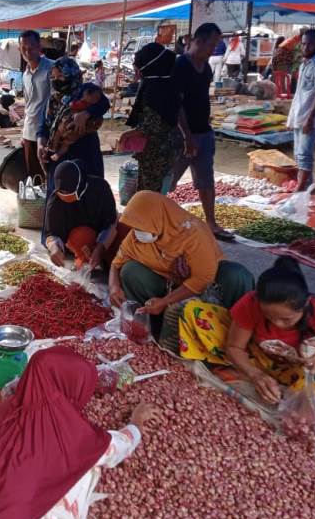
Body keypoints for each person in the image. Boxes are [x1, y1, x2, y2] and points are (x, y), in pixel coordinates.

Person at [0, 346, 160, 519]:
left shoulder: (3, 412)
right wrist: (136, 423)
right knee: (85, 466)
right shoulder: (72, 433)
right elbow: (116, 448)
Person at [178, 256, 315, 429]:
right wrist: (255, 374)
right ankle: (250, 377)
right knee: (196, 313)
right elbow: (234, 347)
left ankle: (296, 398)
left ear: (305, 304)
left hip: (302, 373)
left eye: (286, 319)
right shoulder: (252, 303)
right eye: (268, 316)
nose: (276, 323)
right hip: (259, 359)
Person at [108, 191, 254, 335]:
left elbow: (202, 279)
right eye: (136, 227)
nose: (137, 232)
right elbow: (117, 263)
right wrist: (113, 286)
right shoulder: (136, 236)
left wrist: (165, 301)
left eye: (141, 226)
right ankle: (151, 329)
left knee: (236, 275)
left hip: (205, 286)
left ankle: (233, 336)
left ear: (158, 218)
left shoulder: (193, 233)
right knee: (130, 271)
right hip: (168, 284)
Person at [169, 22, 232, 239]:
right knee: (169, 179)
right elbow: (176, 104)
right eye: (212, 45)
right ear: (199, 40)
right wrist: (186, 136)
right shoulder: (181, 66)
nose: (214, 50)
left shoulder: (205, 67)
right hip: (183, 135)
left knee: (206, 180)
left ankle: (211, 223)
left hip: (204, 132)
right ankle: (159, 219)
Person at [38, 57, 108, 203]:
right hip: (57, 159)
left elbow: (104, 103)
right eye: (54, 77)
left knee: (87, 197)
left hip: (85, 154)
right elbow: (44, 126)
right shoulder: (53, 101)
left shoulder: (86, 92)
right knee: (58, 199)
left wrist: (86, 113)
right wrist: (40, 143)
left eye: (61, 76)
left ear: (72, 74)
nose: (56, 80)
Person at [120, 43, 181, 194]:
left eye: (137, 70)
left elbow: (152, 125)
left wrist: (126, 135)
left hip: (158, 151)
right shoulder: (166, 83)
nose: (136, 74)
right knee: (157, 191)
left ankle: (150, 217)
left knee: (150, 193)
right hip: (167, 147)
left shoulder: (154, 88)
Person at [45, 160, 118, 271]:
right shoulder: (56, 199)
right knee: (82, 237)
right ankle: (83, 258)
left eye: (69, 191)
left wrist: (99, 249)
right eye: (61, 191)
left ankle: (101, 257)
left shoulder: (100, 188)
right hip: (79, 239)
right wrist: (55, 249)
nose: (65, 195)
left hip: (102, 232)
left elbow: (110, 221)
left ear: (80, 184)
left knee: (122, 244)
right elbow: (52, 233)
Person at [286, 28, 315, 192]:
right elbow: (300, 94)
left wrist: (310, 118)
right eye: (303, 44)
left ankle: (300, 188)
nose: (306, 48)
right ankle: (308, 186)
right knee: (298, 154)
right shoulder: (304, 63)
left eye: (310, 44)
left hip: (310, 117)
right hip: (300, 114)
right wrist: (292, 118)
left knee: (304, 154)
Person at [20, 29, 54, 178]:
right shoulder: (25, 74)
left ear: (39, 47)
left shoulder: (52, 69)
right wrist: (23, 132)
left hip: (48, 133)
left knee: (50, 176)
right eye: (23, 48)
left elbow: (57, 102)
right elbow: (28, 105)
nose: (27, 51)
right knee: (34, 177)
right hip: (29, 131)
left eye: (31, 47)